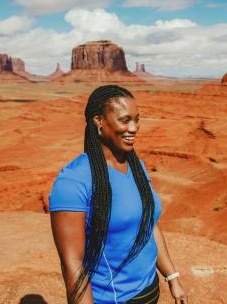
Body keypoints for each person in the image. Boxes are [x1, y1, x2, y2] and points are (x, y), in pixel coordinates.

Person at [49, 84, 188, 304]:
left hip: (150, 291)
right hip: (115, 299)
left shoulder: (136, 166)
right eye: (125, 120)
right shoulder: (74, 181)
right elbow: (73, 263)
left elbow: (148, 224)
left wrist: (172, 277)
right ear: (99, 121)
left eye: (137, 119)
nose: (134, 128)